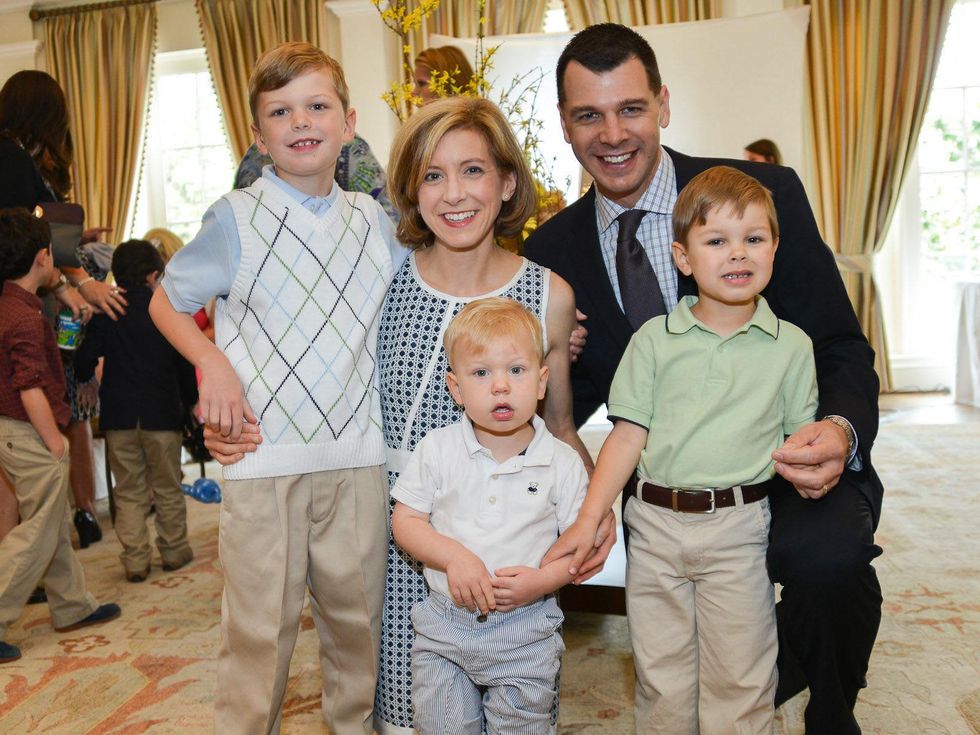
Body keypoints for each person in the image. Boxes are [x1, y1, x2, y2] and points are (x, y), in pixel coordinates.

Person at [524, 24, 883, 735]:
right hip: (672, 488)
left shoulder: (761, 195)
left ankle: (830, 706)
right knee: (668, 664)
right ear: (564, 126)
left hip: (783, 457)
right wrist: (556, 361)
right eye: (587, 115)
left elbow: (840, 342)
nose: (612, 133)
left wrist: (838, 431)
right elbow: (601, 402)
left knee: (831, 558)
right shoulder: (552, 247)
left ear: (662, 103)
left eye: (629, 107)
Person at [149, 42, 408, 734]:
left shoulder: (374, 222)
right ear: (258, 134)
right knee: (259, 635)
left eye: (318, 106)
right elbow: (166, 303)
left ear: (348, 123)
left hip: (358, 458)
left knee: (359, 631)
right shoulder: (236, 216)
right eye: (281, 111)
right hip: (262, 463)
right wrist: (211, 360)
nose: (301, 122)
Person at [566, 166, 817, 732]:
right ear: (683, 257)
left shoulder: (792, 347)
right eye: (716, 240)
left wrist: (816, 468)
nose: (737, 254)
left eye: (753, 239)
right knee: (663, 678)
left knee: (742, 677)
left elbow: (799, 439)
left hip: (739, 527)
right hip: (654, 528)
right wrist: (590, 517)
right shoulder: (652, 341)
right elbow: (626, 435)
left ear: (775, 248)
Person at [391, 297, 586, 734]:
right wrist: (453, 557)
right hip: (445, 624)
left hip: (527, 630)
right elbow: (405, 521)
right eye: (481, 374)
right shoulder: (437, 450)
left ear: (540, 382)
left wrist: (543, 582)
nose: (500, 386)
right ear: (456, 389)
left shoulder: (562, 462)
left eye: (515, 371)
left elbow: (578, 544)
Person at [0, 69, 129, 550]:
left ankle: (37, 566)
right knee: (34, 427)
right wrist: (72, 282)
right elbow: (24, 237)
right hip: (20, 309)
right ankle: (21, 563)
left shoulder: (14, 158)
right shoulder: (11, 158)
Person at [0, 208, 121, 665]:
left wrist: (65, 295)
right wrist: (55, 441)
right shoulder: (26, 319)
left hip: (11, 431)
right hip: (29, 431)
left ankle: (71, 606)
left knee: (51, 518)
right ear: (42, 258)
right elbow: (29, 385)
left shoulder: (11, 304)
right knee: (34, 531)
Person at [75, 239, 198, 584]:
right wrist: (191, 400)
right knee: (168, 486)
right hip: (162, 414)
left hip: (120, 417)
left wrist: (86, 378)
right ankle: (174, 551)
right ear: (153, 275)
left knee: (128, 491)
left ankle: (135, 562)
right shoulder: (167, 309)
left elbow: (85, 359)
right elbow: (184, 362)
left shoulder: (109, 310)